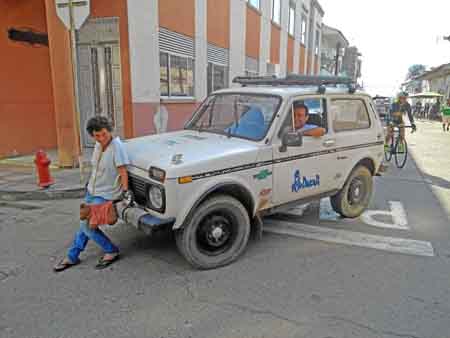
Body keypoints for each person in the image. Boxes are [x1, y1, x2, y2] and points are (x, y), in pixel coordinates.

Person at [53, 116, 131, 272]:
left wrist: (125, 192)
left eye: (104, 134)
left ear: (109, 131)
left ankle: (109, 250)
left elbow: (123, 171)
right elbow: (96, 168)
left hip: (105, 194)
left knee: (87, 226)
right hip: (92, 191)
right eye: (97, 135)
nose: (101, 138)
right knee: (84, 224)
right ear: (92, 135)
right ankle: (73, 256)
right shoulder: (97, 146)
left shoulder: (117, 147)